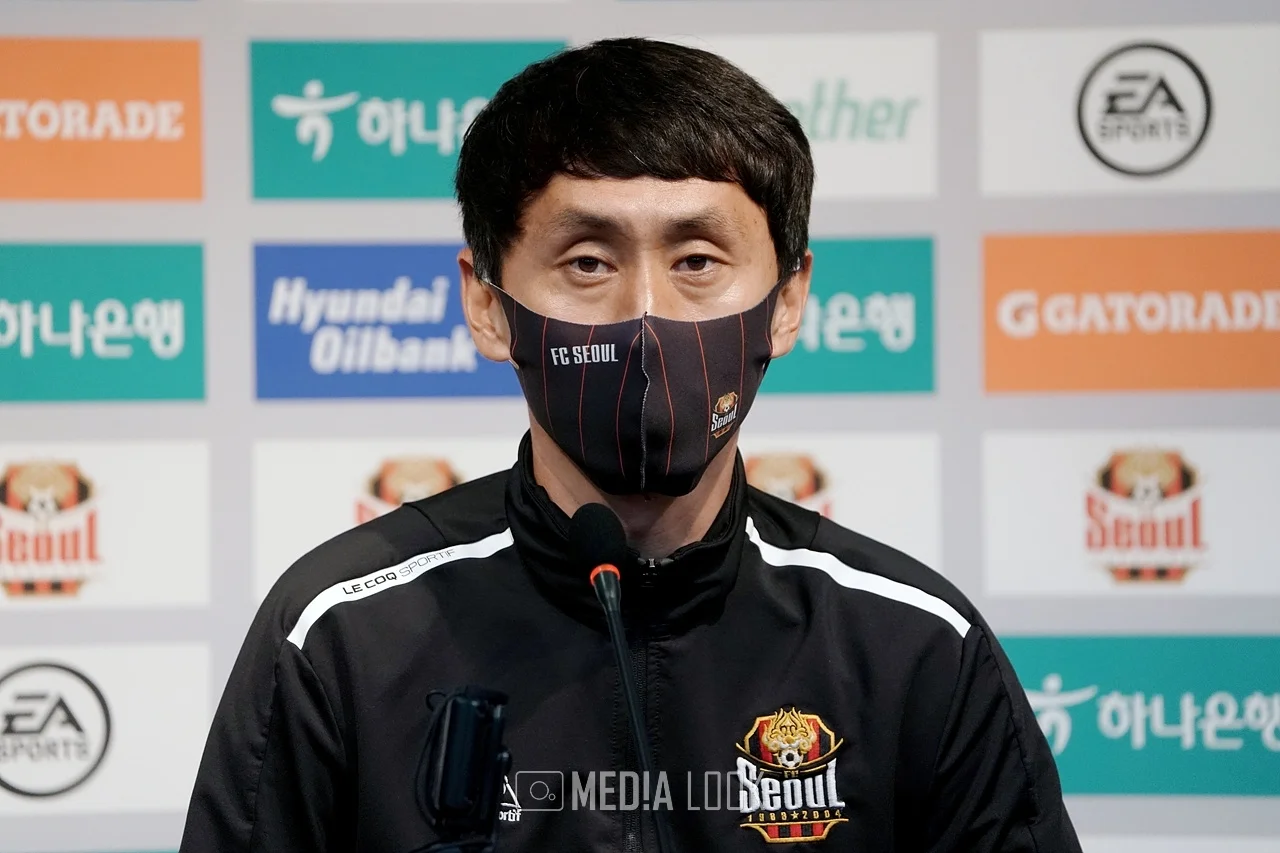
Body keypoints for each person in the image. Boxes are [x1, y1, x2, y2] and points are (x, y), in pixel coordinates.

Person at [179, 37, 1082, 853]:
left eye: (697, 260)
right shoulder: (342, 635)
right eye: (588, 261)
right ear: (487, 304)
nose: (645, 315)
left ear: (789, 300)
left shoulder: (914, 645)